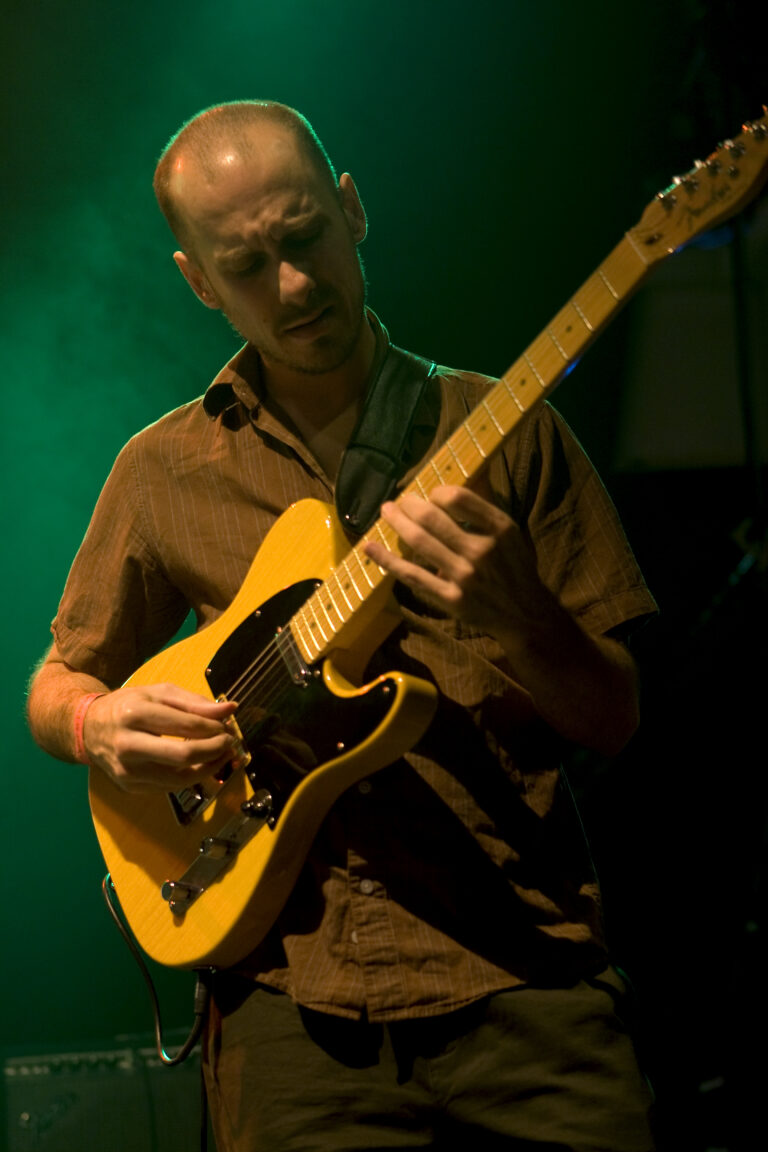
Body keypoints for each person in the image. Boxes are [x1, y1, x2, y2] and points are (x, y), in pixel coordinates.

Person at [27, 101, 657, 1151]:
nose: (296, 285)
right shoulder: (160, 471)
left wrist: (520, 614)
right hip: (290, 1015)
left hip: (530, 988)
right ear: (197, 281)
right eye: (247, 265)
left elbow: (616, 718)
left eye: (305, 235)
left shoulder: (511, 431)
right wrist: (99, 727)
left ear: (351, 209)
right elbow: (59, 678)